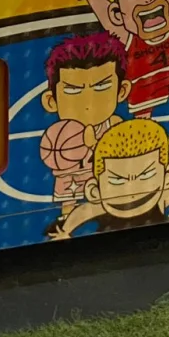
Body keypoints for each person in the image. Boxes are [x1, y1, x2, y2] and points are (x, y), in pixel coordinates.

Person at [39, 31, 131, 232]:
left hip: (109, 183)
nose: (88, 101)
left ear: (122, 91)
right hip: (73, 179)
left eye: (101, 86)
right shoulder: (59, 136)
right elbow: (55, 165)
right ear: (51, 101)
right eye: (73, 90)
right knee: (68, 204)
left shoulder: (115, 124)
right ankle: (67, 223)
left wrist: (96, 144)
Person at [46, 118, 169, 237]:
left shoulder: (160, 198)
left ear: (168, 177)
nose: (132, 190)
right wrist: (65, 232)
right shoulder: (103, 204)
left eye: (146, 175)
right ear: (94, 191)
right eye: (117, 180)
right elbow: (83, 211)